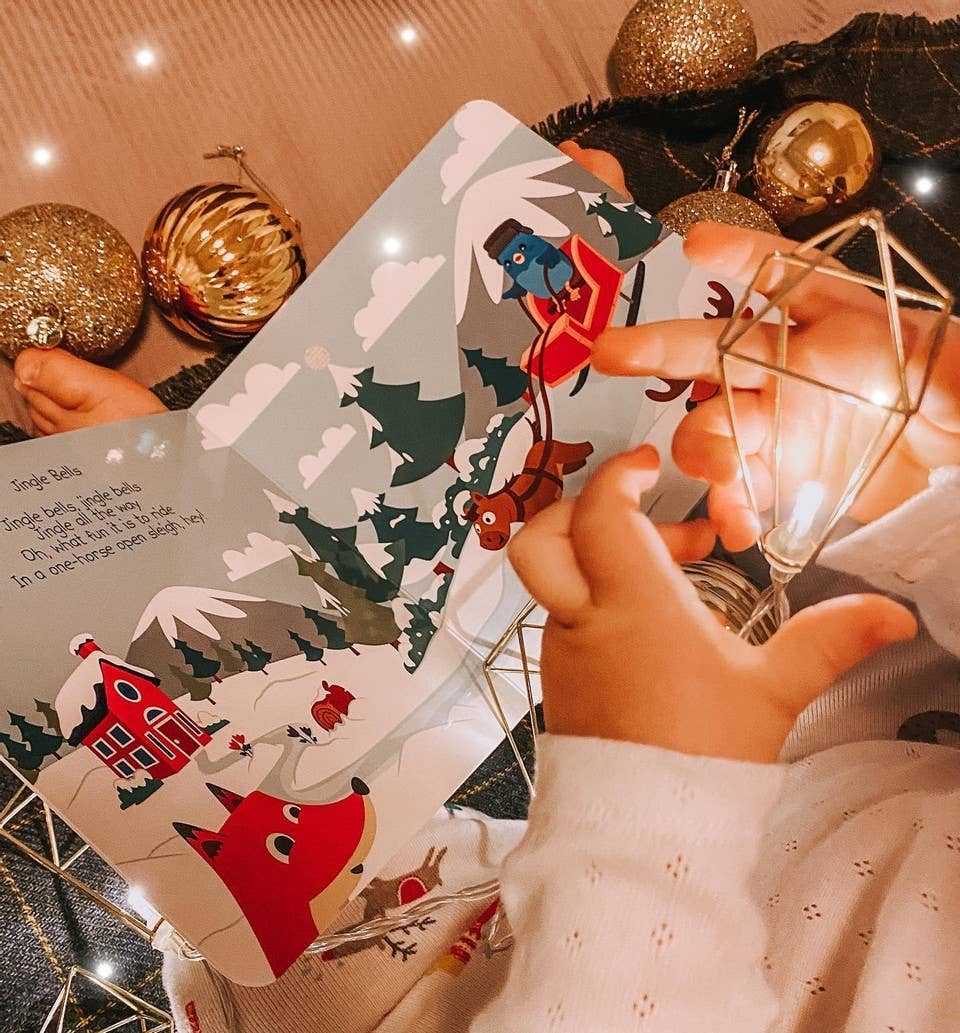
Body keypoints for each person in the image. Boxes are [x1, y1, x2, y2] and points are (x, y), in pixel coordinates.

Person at [12, 146, 960, 1031]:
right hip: (863, 720)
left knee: (295, 921)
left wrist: (650, 789)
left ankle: (201, 523)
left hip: (519, 965)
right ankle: (239, 506)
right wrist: (931, 495)